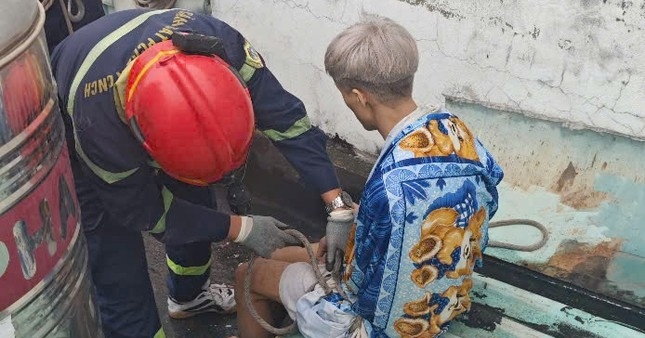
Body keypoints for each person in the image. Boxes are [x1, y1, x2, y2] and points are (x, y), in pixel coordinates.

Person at [51, 8, 354, 338]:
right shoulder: (97, 129)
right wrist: (241, 228)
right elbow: (147, 214)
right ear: (143, 143)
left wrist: (336, 205)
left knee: (195, 199)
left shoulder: (220, 46)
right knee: (117, 266)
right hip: (77, 117)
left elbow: (290, 124)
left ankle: (189, 297)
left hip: (146, 95)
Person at [234, 15, 504, 338]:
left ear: (361, 97)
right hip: (448, 299)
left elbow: (356, 289)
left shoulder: (386, 189)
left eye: (346, 95)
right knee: (287, 252)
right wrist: (358, 224)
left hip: (377, 328)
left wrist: (354, 235)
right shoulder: (459, 133)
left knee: (246, 274)